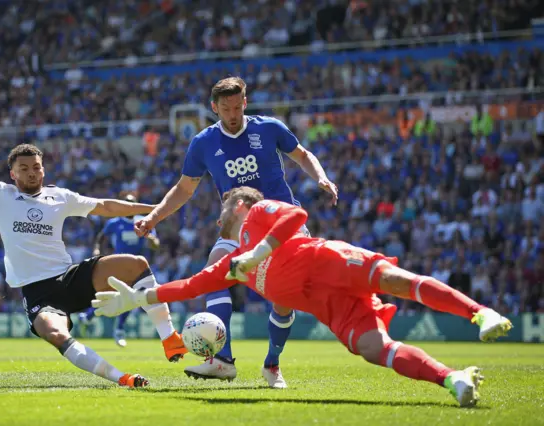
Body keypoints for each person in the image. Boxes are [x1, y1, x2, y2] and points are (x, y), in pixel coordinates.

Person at [95, 187, 512, 406]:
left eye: (224, 204)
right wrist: (138, 299)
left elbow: (298, 215)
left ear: (239, 204)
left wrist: (261, 250)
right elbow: (188, 286)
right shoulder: (232, 263)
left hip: (331, 261)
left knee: (399, 281)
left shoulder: (257, 213)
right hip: (327, 305)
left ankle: (479, 314)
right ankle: (451, 379)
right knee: (373, 348)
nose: (219, 213)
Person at [0, 89, 186, 388]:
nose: (33, 173)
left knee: (136, 263)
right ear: (12, 174)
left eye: (37, 167)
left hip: (70, 278)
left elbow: (106, 206)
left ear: (43, 168)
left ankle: (170, 337)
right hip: (39, 294)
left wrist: (157, 210)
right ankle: (122, 378)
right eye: (24, 169)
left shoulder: (60, 196)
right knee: (57, 334)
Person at [134, 77, 338, 387]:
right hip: (237, 224)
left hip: (281, 222)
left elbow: (303, 155)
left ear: (245, 102)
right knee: (214, 272)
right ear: (214, 108)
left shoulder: (268, 128)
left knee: (283, 300)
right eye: (225, 108)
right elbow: (184, 188)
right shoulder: (203, 142)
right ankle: (223, 361)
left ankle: (272, 364)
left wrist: (321, 178)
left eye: (237, 106)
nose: (232, 114)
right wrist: (154, 216)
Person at [79, 193, 161, 347]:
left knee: (133, 297)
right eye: (126, 203)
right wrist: (97, 250)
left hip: (137, 267)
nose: (129, 206)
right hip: (118, 264)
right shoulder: (114, 223)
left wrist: (151, 240)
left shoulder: (143, 222)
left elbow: (156, 244)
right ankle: (95, 319)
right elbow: (101, 237)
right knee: (113, 294)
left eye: (131, 203)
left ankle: (104, 323)